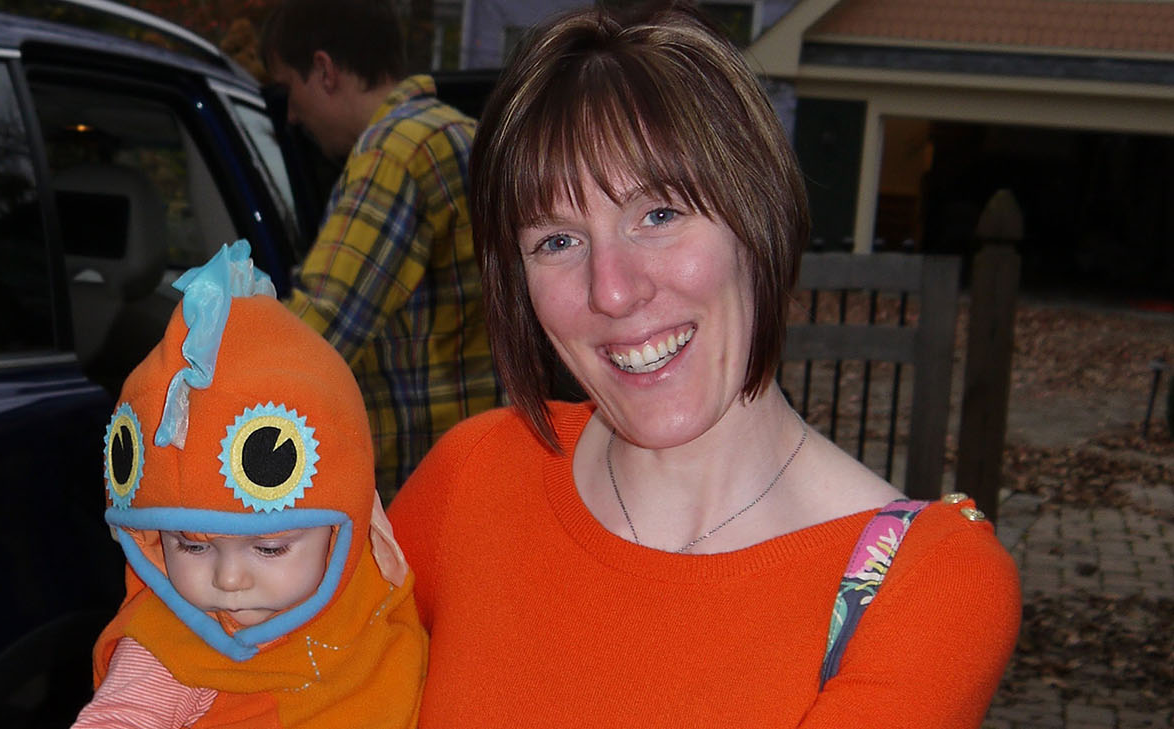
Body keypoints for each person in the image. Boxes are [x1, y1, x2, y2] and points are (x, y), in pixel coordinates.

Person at [387, 4, 1021, 727]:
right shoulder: (473, 478)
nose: (613, 289)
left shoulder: (924, 586)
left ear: (758, 216)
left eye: (658, 215)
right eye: (557, 241)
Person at [73, 242, 425, 729]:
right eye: (192, 547)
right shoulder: (167, 649)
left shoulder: (376, 607)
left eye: (271, 547)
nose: (229, 580)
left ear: (346, 523)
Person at [260, 0, 502, 499]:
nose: (291, 116)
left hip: (422, 484)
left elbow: (317, 333)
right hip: (477, 466)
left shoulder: (397, 151)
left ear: (324, 71)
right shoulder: (460, 133)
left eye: (289, 88)